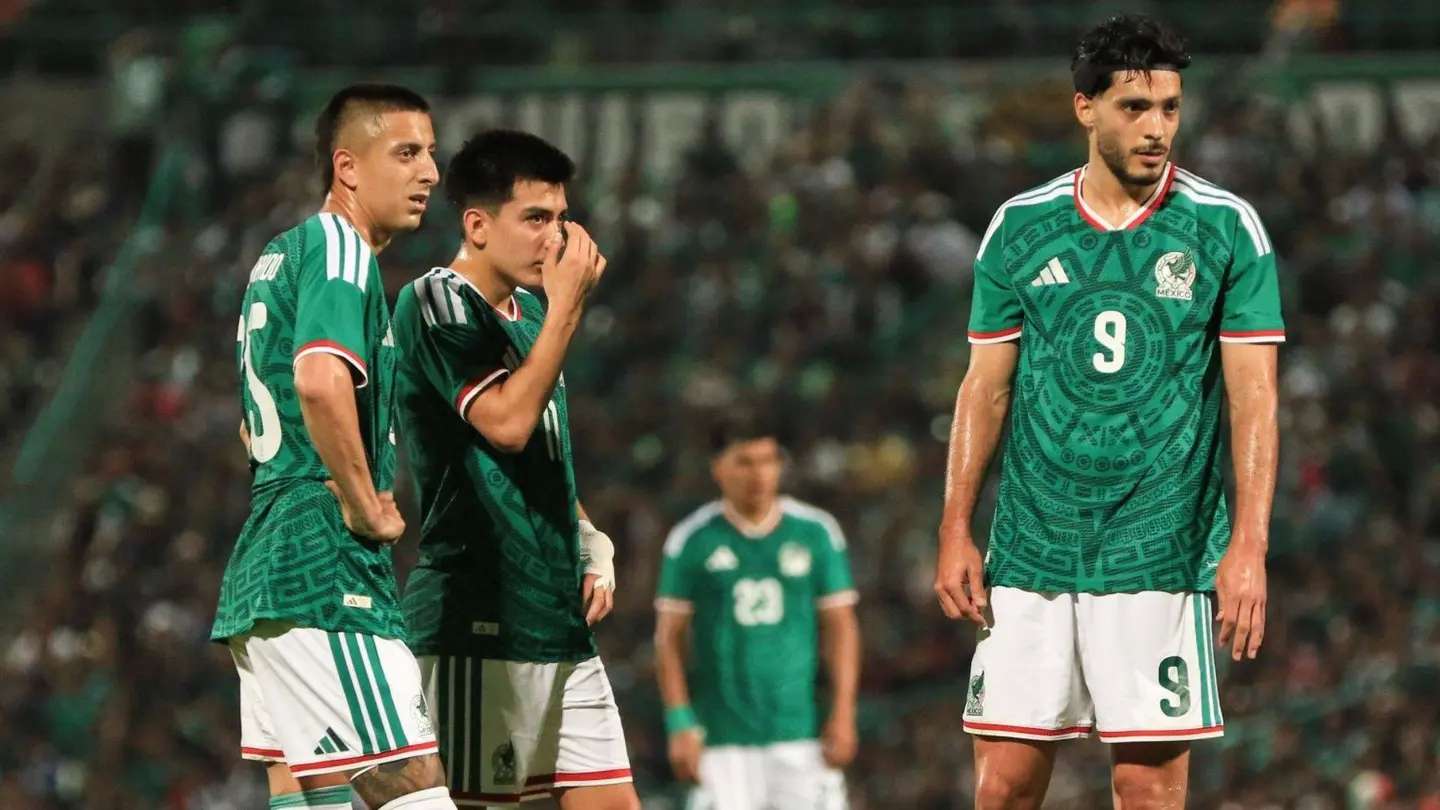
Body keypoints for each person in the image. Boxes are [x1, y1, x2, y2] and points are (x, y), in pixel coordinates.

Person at [932, 14, 1283, 809]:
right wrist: (955, 525)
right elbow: (983, 387)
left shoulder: (1226, 227)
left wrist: (1250, 548)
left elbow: (1253, 397)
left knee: (1148, 788)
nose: (1157, 128)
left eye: (1169, 107)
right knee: (1004, 786)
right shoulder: (1021, 227)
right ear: (1085, 107)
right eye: (1135, 107)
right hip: (1031, 545)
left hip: (1159, 547)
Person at [215, 84, 457, 810]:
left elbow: (249, 426)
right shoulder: (342, 247)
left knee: (308, 787)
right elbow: (319, 383)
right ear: (347, 167)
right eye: (407, 153)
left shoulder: (278, 256)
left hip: (265, 563)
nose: (430, 174)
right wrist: (363, 502)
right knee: (409, 778)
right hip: (323, 567)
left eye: (432, 155)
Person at [391, 129, 639, 810]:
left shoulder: (531, 313)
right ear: (477, 224)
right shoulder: (435, 299)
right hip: (479, 618)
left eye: (560, 219)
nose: (554, 239)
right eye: (534, 219)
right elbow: (504, 423)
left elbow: (542, 457)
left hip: (557, 621)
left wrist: (591, 536)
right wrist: (567, 311)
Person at [655, 415, 861, 810]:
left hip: (802, 733)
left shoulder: (816, 532)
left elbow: (841, 627)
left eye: (768, 460)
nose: (759, 474)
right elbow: (669, 638)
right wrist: (679, 721)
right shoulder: (692, 539)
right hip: (720, 741)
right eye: (745, 461)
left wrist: (843, 711)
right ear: (718, 467)